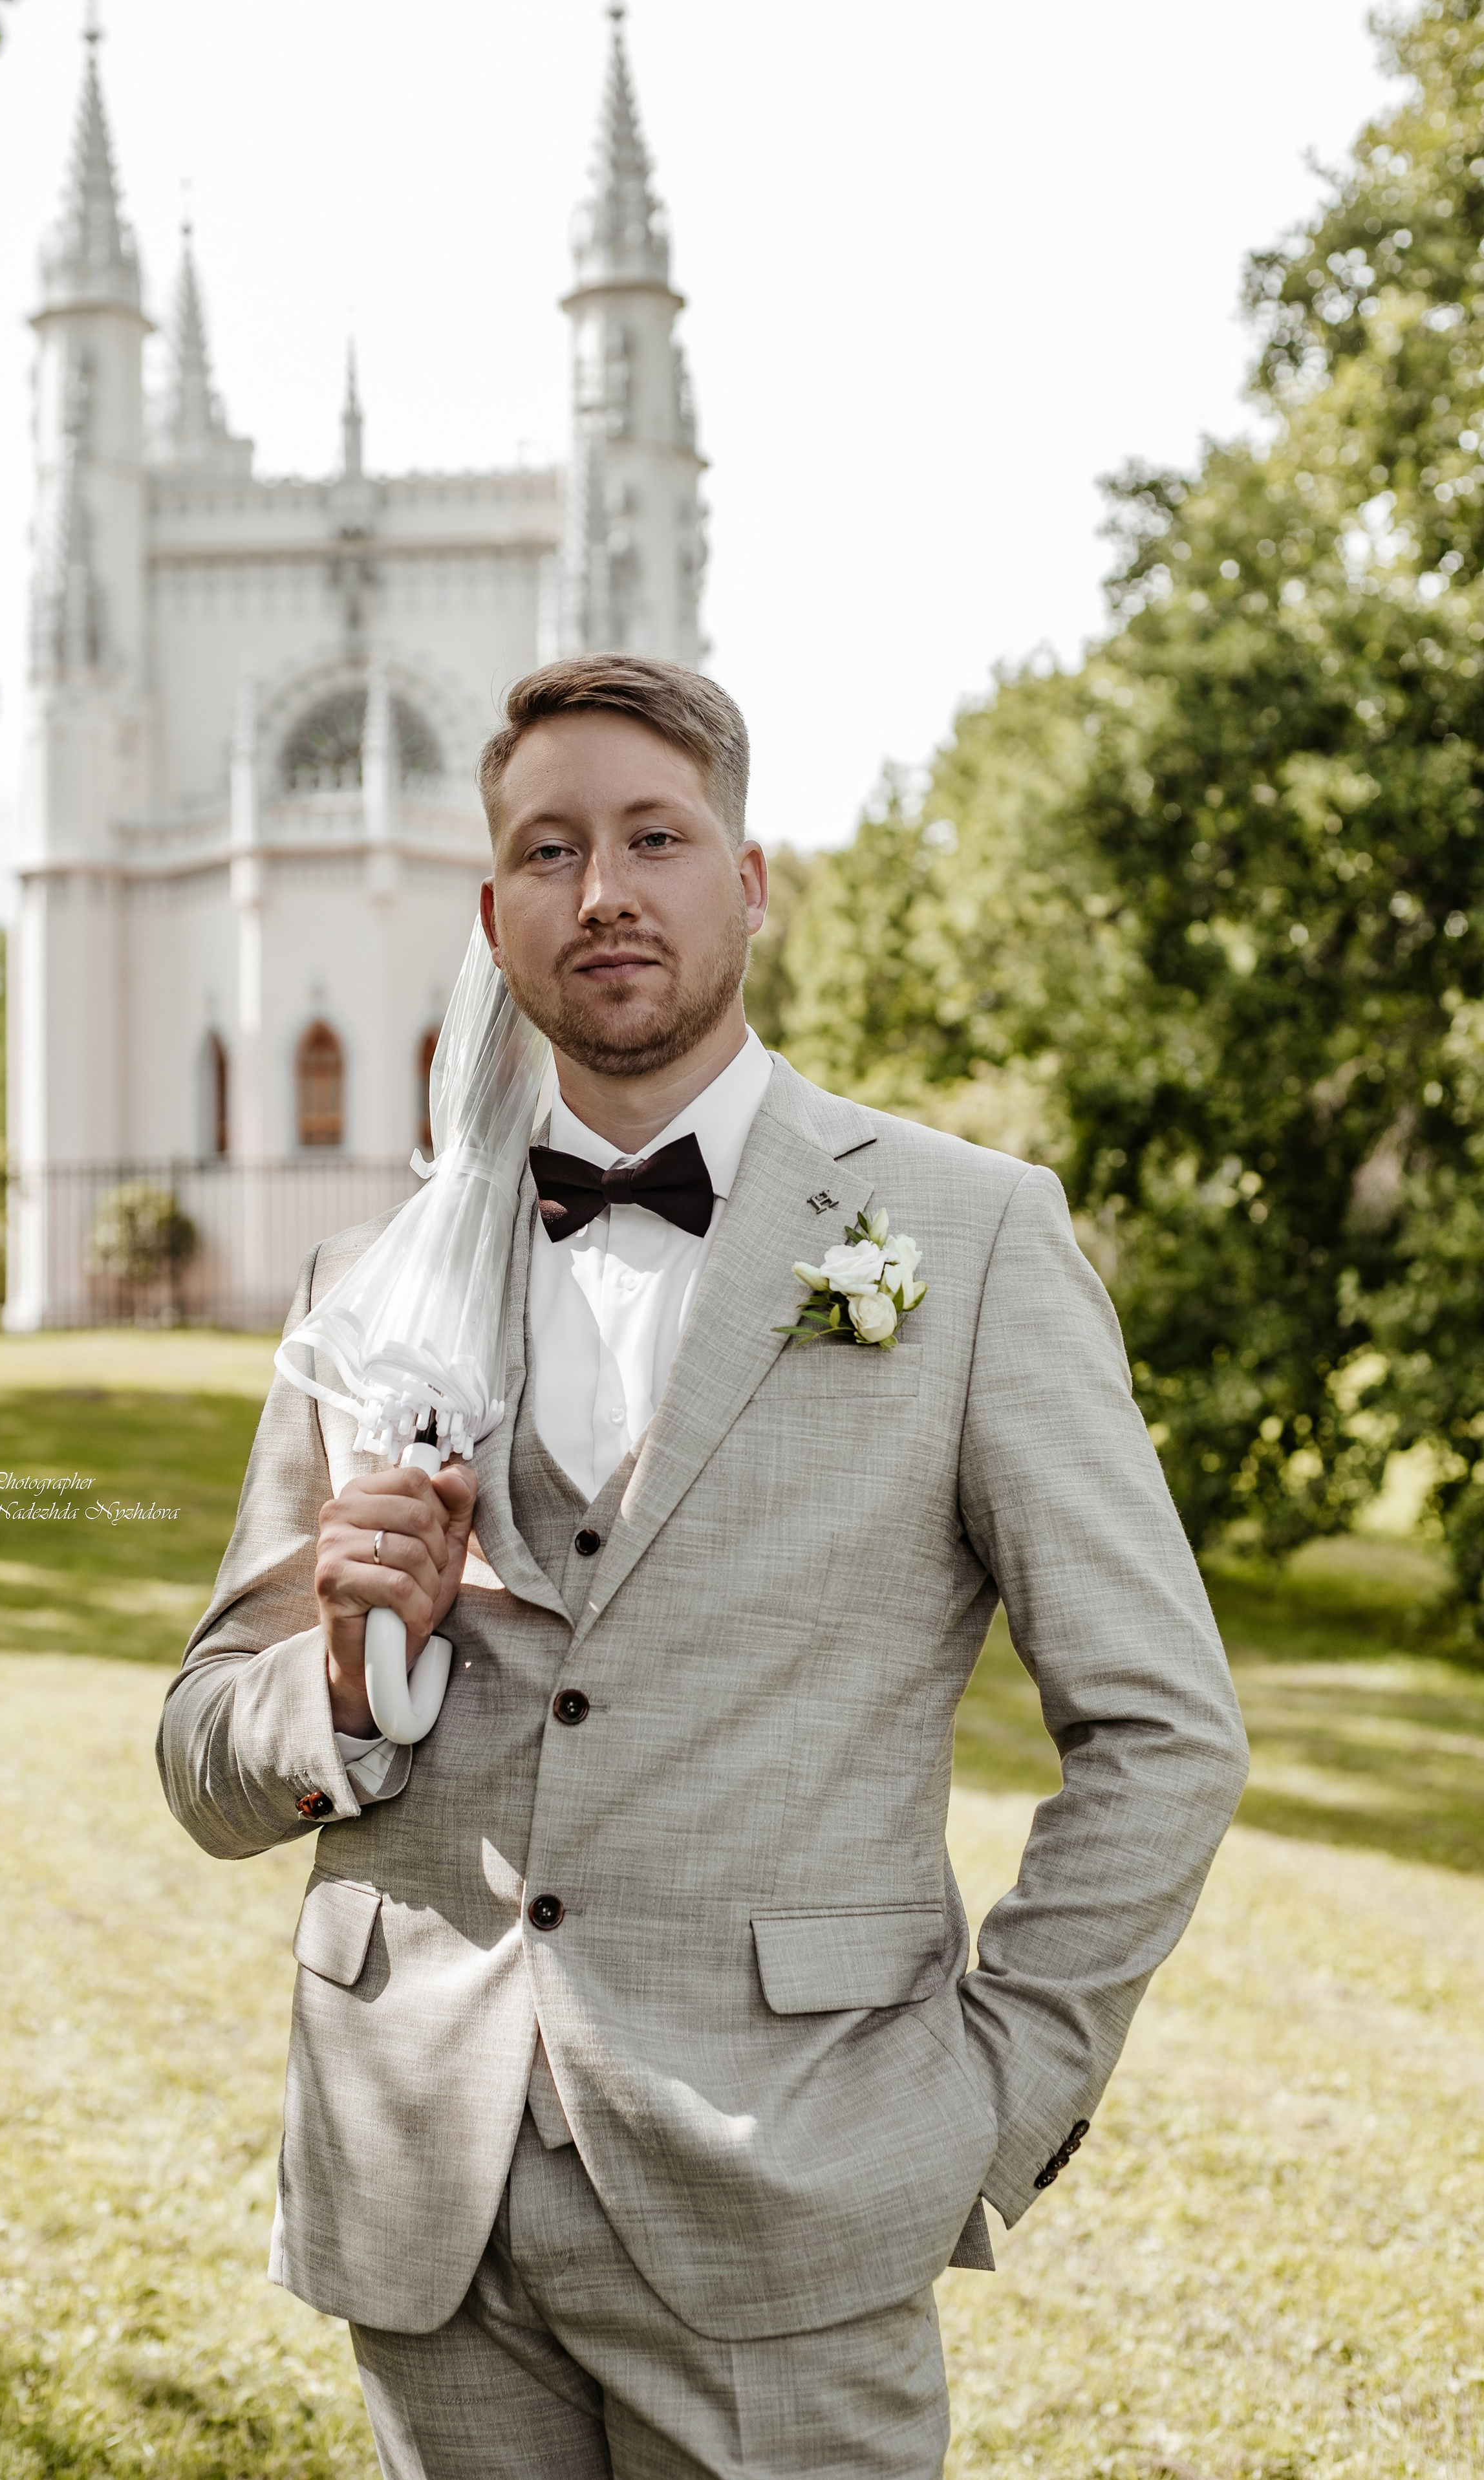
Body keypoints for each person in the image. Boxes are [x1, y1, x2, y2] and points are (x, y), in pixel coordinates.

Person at [157, 654, 1249, 2479]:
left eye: (654, 839)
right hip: (421, 2192)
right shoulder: (371, 1287)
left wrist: (993, 2096)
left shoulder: (969, 1235)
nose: (602, 890)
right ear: (492, 916)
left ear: (747, 883)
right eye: (548, 850)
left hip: (793, 2194)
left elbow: (1165, 1732)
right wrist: (336, 1680)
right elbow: (203, 1753)